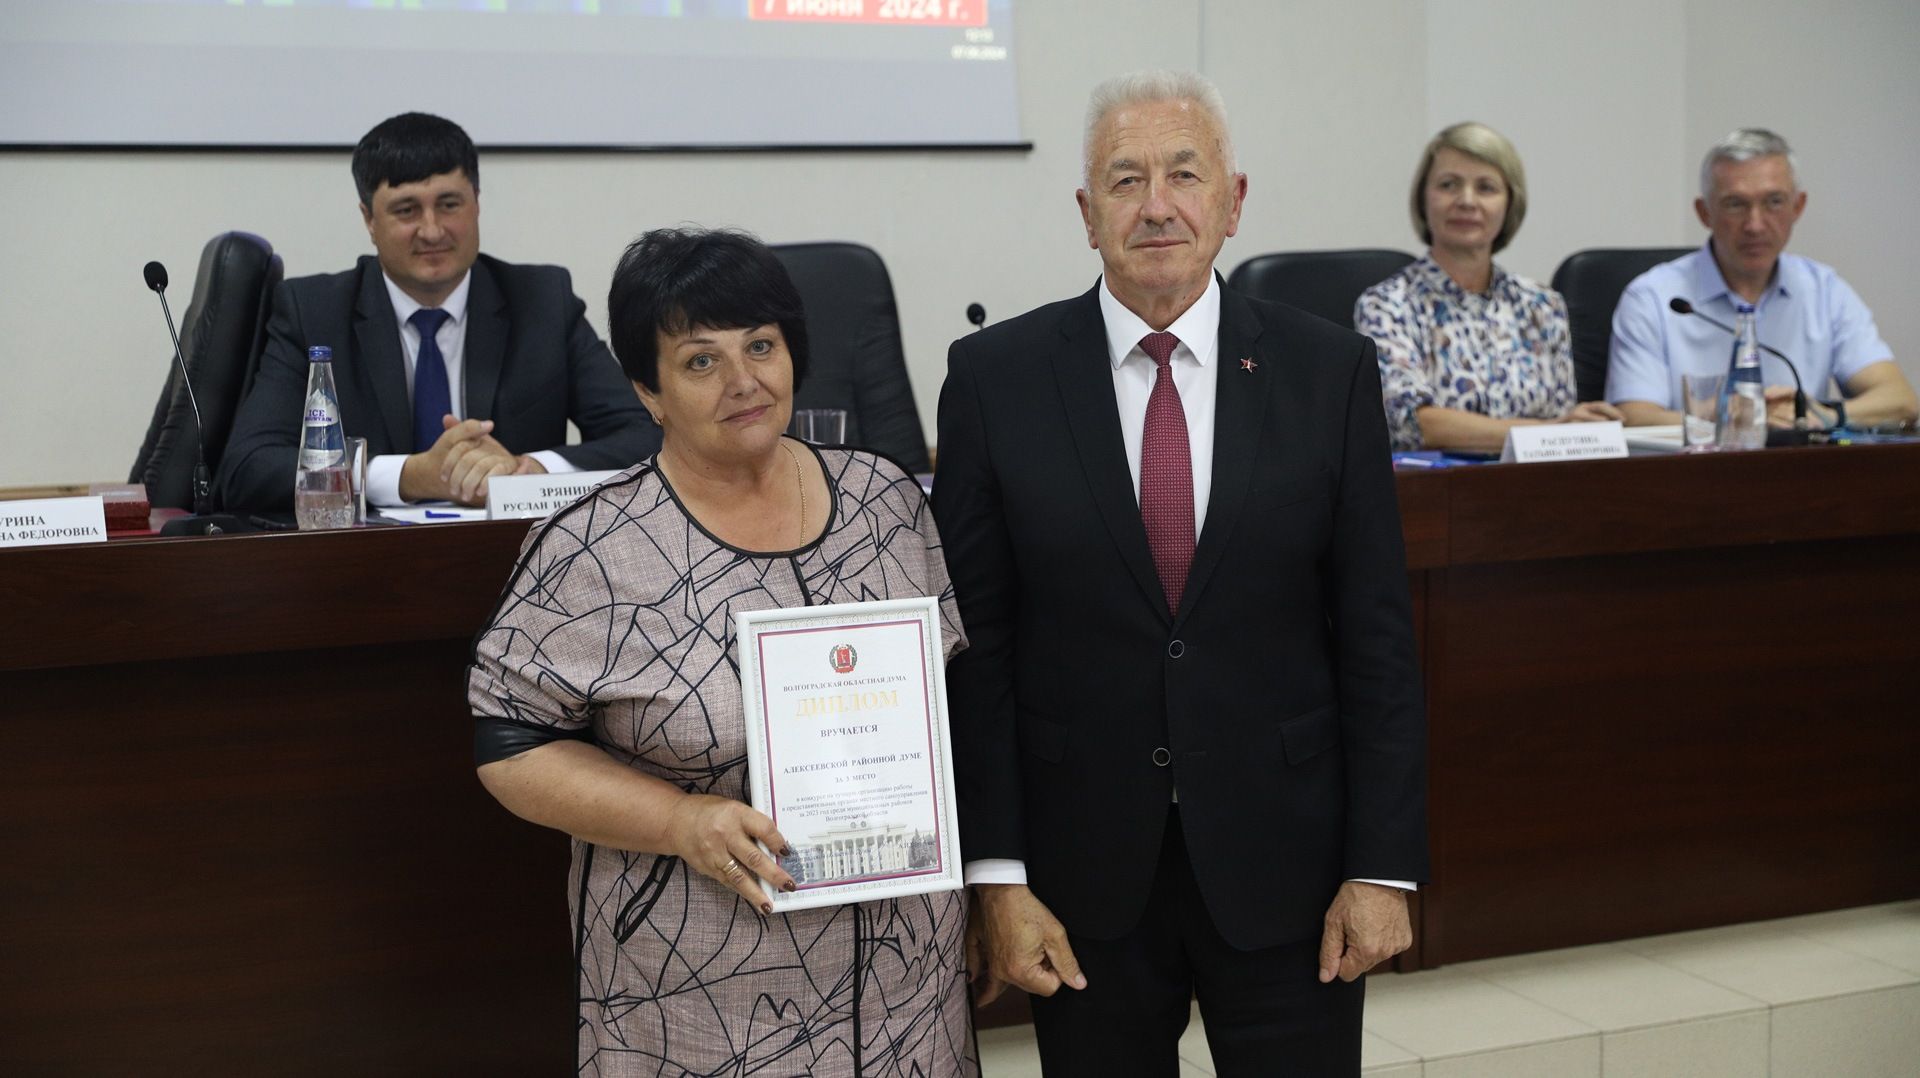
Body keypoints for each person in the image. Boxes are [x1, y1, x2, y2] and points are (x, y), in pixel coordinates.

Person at [931, 71, 1427, 1076]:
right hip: (1079, 876)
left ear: (1233, 202)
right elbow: (977, 651)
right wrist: (996, 873)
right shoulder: (994, 380)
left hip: (1290, 865)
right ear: (1087, 214)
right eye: (1126, 180)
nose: (1157, 205)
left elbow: (1376, 636)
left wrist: (1383, 865)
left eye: (1185, 175)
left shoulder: (1329, 372)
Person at [467, 228, 975, 1076]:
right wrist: (679, 821)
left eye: (762, 346)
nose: (744, 380)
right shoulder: (595, 547)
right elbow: (511, 746)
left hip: (905, 988)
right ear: (648, 391)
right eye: (701, 360)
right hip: (705, 998)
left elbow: (955, 701)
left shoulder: (885, 502)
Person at [218, 112, 658, 511]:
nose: (432, 231)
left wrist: (529, 470)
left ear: (476, 203)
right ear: (369, 219)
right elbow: (247, 467)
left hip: (516, 556)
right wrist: (408, 476)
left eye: (449, 205)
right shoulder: (314, 312)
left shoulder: (542, 301)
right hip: (365, 560)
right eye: (406, 210)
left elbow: (647, 431)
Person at [1608, 128, 1918, 430]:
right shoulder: (1654, 298)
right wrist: (1740, 416)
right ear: (1704, 213)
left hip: (1802, 464)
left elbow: (1901, 401)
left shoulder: (1824, 291)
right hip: (1695, 464)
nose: (1755, 225)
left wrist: (1820, 415)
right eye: (1735, 204)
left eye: (1774, 202)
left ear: (1798, 207)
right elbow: (1635, 417)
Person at [1354, 122, 1621, 453]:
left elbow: (1562, 425)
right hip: (1437, 484)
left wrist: (1562, 432)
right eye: (1449, 185)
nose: (1467, 201)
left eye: (1486, 188)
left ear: (1510, 204)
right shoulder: (1386, 305)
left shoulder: (1542, 304)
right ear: (1423, 199)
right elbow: (1415, 424)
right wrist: (1547, 432)